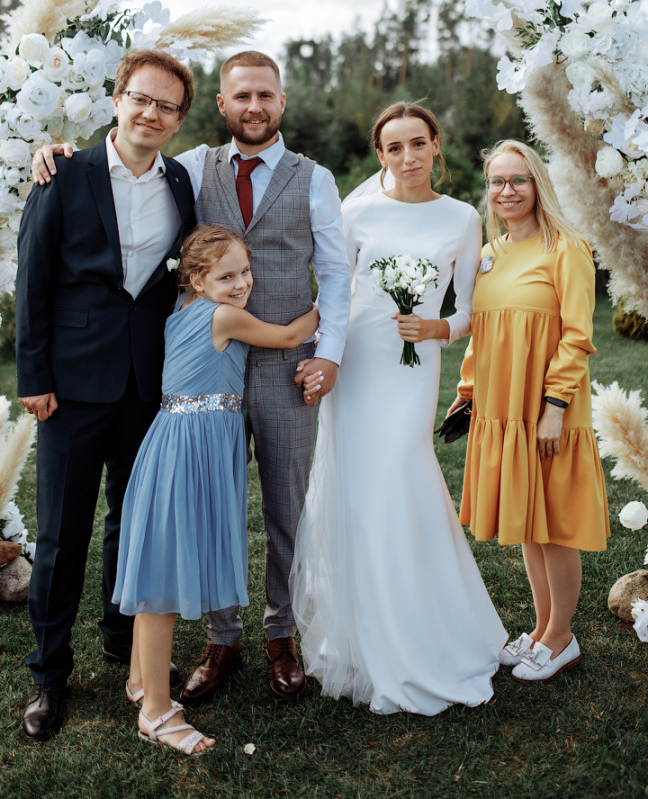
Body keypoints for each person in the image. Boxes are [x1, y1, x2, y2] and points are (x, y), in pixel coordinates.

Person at [31, 49, 351, 703]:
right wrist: (51, 151)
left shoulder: (300, 178)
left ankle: (266, 639)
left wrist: (331, 351)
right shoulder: (174, 169)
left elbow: (340, 272)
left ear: (281, 102)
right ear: (221, 106)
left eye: (266, 95)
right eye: (242, 96)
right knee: (179, 512)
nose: (254, 107)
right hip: (171, 375)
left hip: (260, 373)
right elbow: (45, 261)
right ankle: (207, 640)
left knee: (273, 509)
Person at [289, 103, 507, 715]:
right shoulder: (356, 211)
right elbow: (335, 287)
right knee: (361, 491)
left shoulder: (463, 218)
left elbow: (469, 309)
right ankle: (364, 635)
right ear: (379, 154)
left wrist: (434, 327)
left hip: (413, 367)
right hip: (357, 363)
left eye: (418, 144)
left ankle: (430, 629)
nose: (407, 157)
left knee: (402, 476)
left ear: (437, 145)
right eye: (394, 148)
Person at [16, 48, 196, 741]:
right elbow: (32, 278)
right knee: (62, 533)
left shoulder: (180, 181)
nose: (151, 113)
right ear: (118, 100)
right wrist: (34, 376)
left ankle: (126, 649)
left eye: (166, 105)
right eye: (140, 99)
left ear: (178, 120)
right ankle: (47, 675)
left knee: (133, 522)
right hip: (70, 383)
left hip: (146, 383)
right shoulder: (64, 172)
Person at [113, 225, 320, 754]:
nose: (241, 284)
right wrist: (335, 305)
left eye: (245, 272)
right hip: (190, 449)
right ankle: (156, 713)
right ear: (196, 278)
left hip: (179, 439)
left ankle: (141, 680)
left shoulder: (183, 305)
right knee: (159, 577)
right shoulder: (223, 315)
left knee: (154, 564)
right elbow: (291, 337)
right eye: (225, 276)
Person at [446, 140, 610, 682]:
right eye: (497, 182)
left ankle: (562, 637)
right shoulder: (491, 253)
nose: (507, 191)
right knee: (529, 521)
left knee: (555, 522)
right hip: (501, 406)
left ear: (538, 183)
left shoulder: (567, 248)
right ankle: (542, 631)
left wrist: (556, 405)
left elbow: (577, 336)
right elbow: (483, 332)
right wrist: (468, 391)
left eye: (518, 180)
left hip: (545, 407)